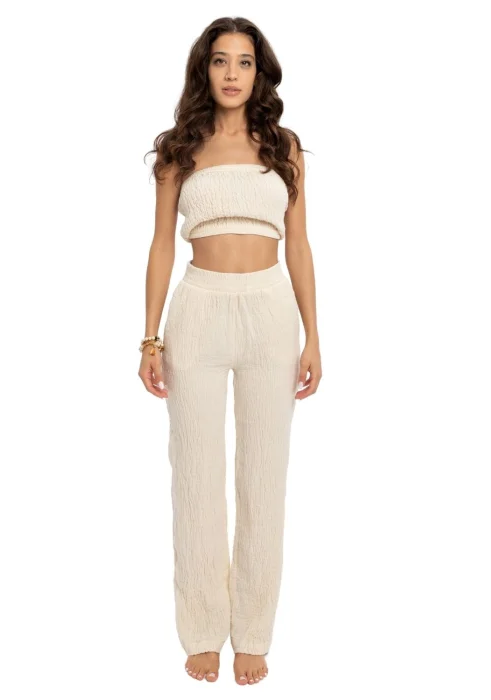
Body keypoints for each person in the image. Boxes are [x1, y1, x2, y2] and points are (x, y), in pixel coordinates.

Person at [139, 16, 322, 686]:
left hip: (270, 313)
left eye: (245, 61)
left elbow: (298, 243)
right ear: (205, 69)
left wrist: (314, 334)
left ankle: (254, 631)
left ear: (259, 72)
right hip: (198, 309)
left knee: (264, 476)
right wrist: (150, 336)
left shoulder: (284, 147)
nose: (232, 73)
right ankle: (200, 628)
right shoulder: (179, 148)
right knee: (194, 474)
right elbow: (162, 243)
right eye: (221, 60)